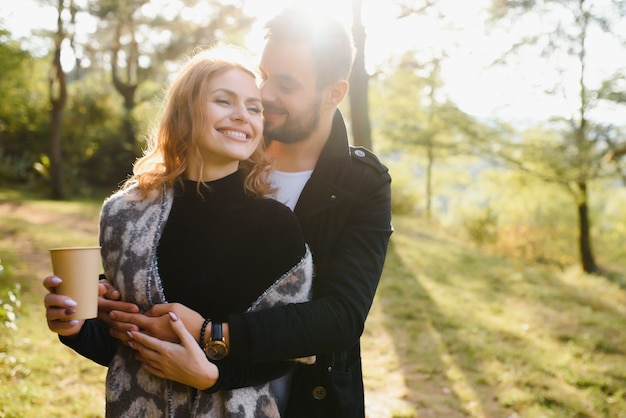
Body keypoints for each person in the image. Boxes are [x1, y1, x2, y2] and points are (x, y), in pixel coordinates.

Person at [47, 8, 393, 417]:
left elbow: (340, 316)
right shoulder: (222, 150)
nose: (263, 97)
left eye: (285, 85)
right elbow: (165, 285)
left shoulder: (361, 183)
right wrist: (97, 307)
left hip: (304, 399)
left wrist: (211, 338)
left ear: (334, 93)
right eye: (263, 76)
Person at [44, 45, 315, 417]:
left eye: (254, 108)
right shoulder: (124, 214)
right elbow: (120, 350)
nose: (242, 116)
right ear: (185, 110)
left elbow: (286, 351)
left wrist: (212, 375)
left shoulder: (276, 227)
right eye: (224, 101)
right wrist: (73, 326)